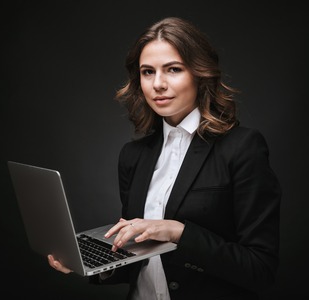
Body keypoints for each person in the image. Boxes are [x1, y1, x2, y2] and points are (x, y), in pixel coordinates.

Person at [48, 16, 281, 300]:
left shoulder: (242, 147)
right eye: (147, 72)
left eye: (173, 69)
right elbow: (140, 256)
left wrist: (178, 232)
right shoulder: (133, 156)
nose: (157, 84)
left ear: (200, 73)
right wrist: (88, 262)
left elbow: (260, 270)